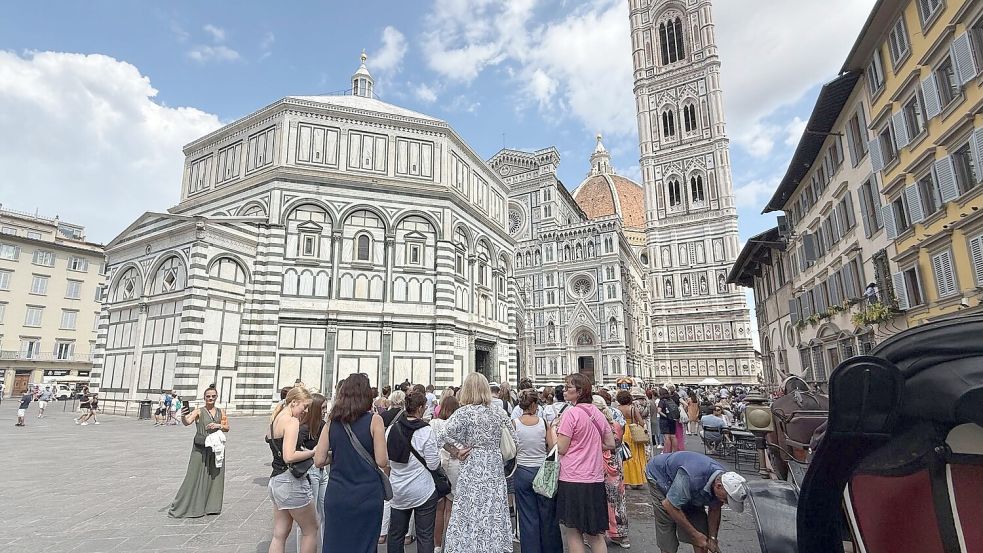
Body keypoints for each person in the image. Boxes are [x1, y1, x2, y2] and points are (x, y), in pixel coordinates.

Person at [440, 372, 515, 552]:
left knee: (470, 509)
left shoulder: (463, 413)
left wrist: (456, 451)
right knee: (493, 509)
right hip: (494, 467)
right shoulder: (499, 412)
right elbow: (515, 441)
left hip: (472, 465)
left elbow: (441, 435)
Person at [315, 372, 388, 553]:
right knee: (365, 546)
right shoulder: (375, 421)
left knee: (336, 545)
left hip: (338, 495)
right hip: (367, 495)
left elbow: (318, 460)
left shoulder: (331, 422)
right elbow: (382, 460)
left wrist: (339, 455)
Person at [554, 373, 616, 553]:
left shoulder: (570, 414)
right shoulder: (597, 412)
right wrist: (591, 445)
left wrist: (552, 431)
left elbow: (562, 448)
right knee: (595, 534)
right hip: (595, 480)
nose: (565, 391)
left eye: (568, 388)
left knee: (574, 532)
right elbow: (611, 443)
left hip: (572, 479)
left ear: (579, 391)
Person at [646, 451, 748, 553]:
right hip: (660, 475)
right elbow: (669, 505)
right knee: (668, 529)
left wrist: (712, 539)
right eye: (726, 499)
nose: (725, 502)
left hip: (692, 485)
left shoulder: (724, 480)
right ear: (718, 486)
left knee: (703, 539)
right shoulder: (692, 478)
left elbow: (715, 508)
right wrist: (694, 534)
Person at [386, 391, 440, 553]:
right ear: (420, 408)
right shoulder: (425, 431)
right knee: (425, 536)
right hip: (422, 490)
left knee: (396, 535)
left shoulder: (391, 429)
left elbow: (387, 461)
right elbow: (433, 464)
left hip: (398, 490)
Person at [513, 389, 562, 553]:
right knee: (548, 515)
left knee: (527, 517)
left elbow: (512, 450)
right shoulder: (543, 423)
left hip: (522, 471)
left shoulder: (515, 423)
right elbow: (551, 447)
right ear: (534, 405)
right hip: (542, 471)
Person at [170, 385, 229, 518]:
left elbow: (226, 427)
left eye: (213, 396)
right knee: (194, 474)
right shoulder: (198, 411)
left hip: (216, 447)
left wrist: (218, 425)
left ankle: (211, 506)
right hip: (201, 447)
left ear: (216, 397)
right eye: (208, 396)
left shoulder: (222, 411)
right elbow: (187, 422)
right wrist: (184, 415)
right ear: (204, 397)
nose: (211, 398)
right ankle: (186, 505)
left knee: (215, 475)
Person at [593, 395, 630, 549]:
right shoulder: (615, 424)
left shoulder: (595, 426)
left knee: (599, 500)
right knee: (617, 501)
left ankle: (597, 535)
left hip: (598, 466)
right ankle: (619, 535)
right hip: (615, 466)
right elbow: (617, 443)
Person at [296, 393, 328, 553]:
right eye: (322, 408)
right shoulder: (303, 429)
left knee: (325, 512)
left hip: (322, 472)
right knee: (309, 518)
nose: (325, 411)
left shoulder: (323, 425)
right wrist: (310, 452)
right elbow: (293, 451)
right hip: (310, 472)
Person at [428, 394, 460, 553]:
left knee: (438, 508)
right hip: (455, 467)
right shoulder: (458, 423)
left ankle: (437, 545)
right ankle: (448, 544)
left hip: (438, 465)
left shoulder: (433, 423)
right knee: (450, 508)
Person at [615, 390, 649, 489]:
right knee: (636, 457)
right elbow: (641, 422)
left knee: (624, 457)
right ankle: (637, 481)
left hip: (622, 432)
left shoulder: (617, 409)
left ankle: (626, 481)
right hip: (633, 433)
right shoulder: (633, 409)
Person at [658, 388, 679, 453]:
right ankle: (675, 451)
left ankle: (668, 452)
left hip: (665, 420)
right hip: (672, 419)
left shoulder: (661, 401)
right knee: (673, 436)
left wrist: (666, 416)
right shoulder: (671, 400)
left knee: (667, 437)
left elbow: (659, 411)